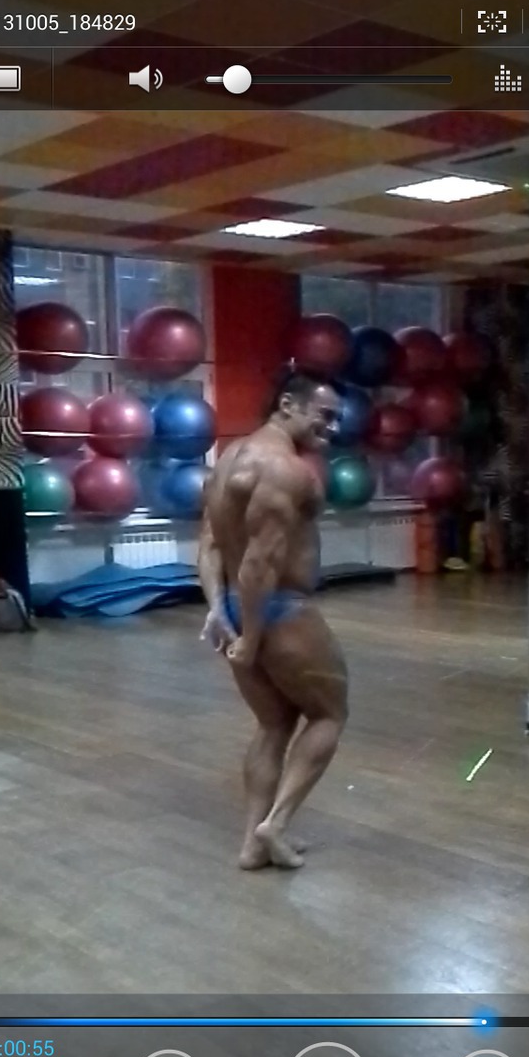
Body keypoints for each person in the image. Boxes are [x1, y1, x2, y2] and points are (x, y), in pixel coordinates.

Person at [197, 369, 348, 871]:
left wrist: (219, 609)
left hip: (239, 606)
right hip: (279, 610)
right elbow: (260, 562)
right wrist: (252, 637)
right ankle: (275, 824)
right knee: (329, 714)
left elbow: (210, 545)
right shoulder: (285, 469)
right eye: (325, 415)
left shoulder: (225, 463)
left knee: (273, 723)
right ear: (287, 404)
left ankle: (252, 844)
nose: (332, 427)